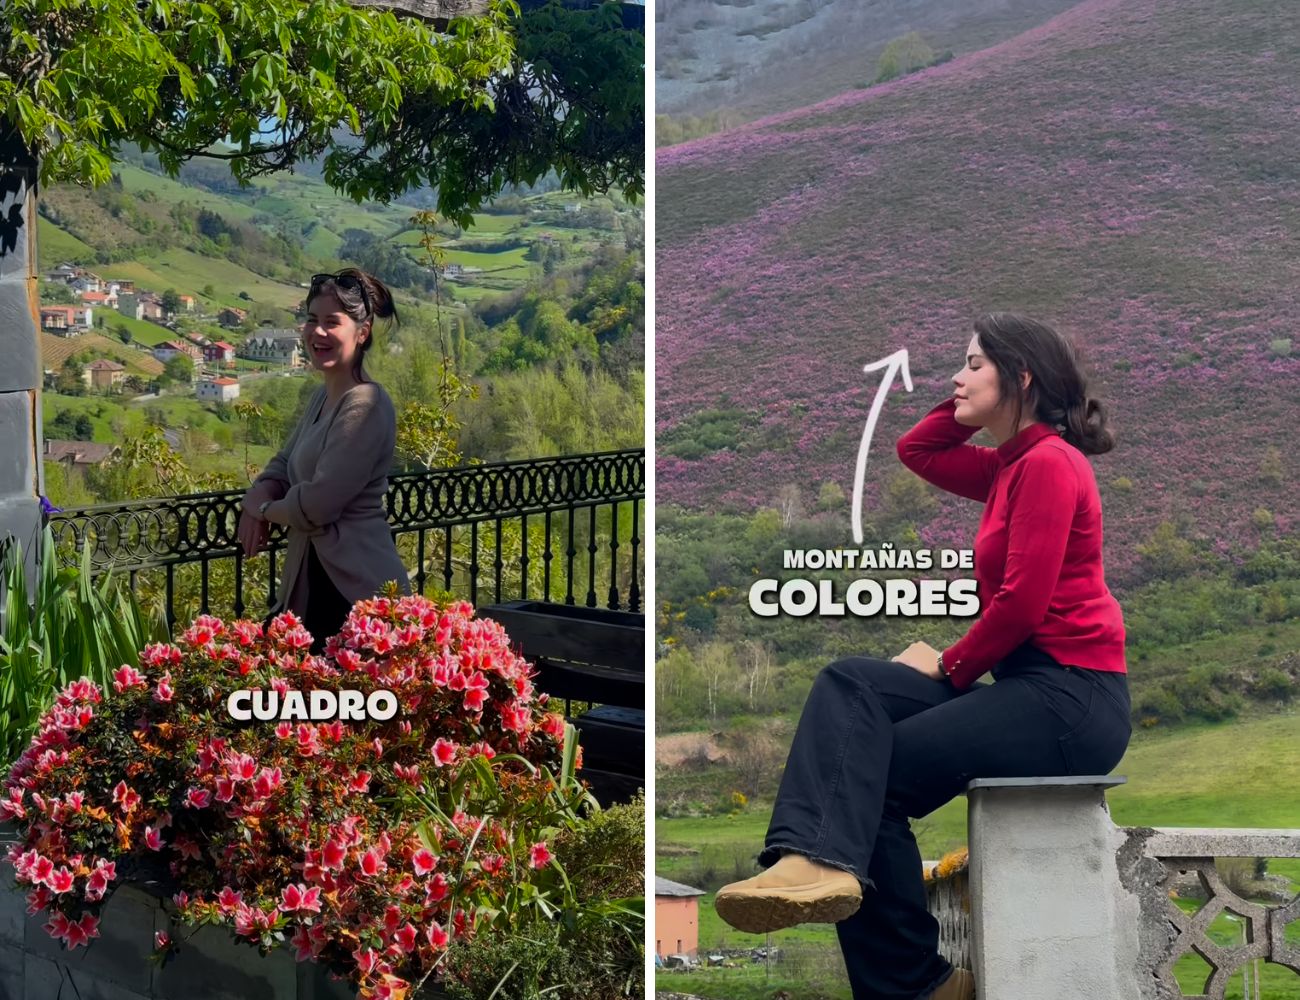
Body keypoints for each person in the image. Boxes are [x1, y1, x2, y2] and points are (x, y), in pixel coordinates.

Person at [714, 314, 1132, 1000]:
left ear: (1020, 377)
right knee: (850, 683)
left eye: (972, 365)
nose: (955, 378)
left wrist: (951, 665)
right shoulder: (1009, 466)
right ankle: (805, 859)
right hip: (1029, 686)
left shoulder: (1052, 464)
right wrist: (979, 403)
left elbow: (1024, 605)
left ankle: (912, 982)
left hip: (1074, 702)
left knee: (873, 775)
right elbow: (920, 447)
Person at [237, 269, 409, 650]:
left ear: (361, 333)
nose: (318, 332)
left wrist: (261, 508)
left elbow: (317, 505)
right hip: (312, 579)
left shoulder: (366, 406)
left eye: (332, 322)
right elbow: (285, 462)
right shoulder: (323, 397)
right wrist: (263, 488)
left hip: (355, 590)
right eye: (312, 320)